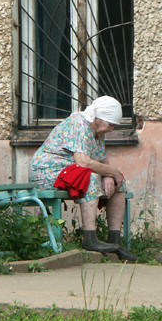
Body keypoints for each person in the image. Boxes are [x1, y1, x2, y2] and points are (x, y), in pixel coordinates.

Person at [28, 96, 136, 262]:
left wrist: (111, 175)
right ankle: (90, 238)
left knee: (119, 182)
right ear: (98, 118)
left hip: (70, 171)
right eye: (110, 124)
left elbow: (101, 158)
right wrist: (111, 171)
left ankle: (114, 240)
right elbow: (83, 162)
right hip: (48, 171)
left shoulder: (97, 131)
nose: (111, 129)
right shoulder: (78, 124)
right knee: (90, 179)